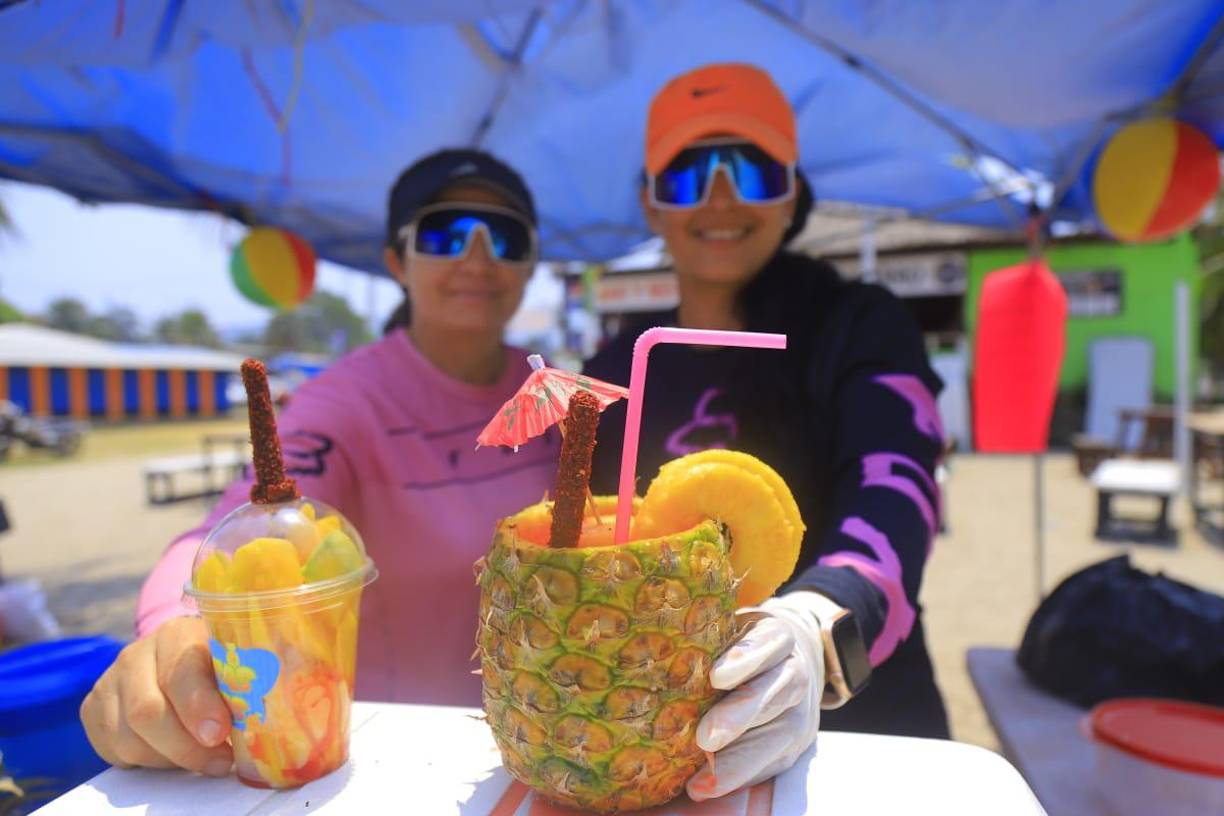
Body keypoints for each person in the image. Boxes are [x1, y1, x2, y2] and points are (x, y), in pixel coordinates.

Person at [80, 149, 559, 777]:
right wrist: (175, 632)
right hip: (399, 762)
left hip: (549, 744)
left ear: (530, 265)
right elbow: (241, 520)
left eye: (506, 237)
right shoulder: (345, 402)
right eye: (445, 234)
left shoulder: (554, 392)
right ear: (397, 262)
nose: (477, 258)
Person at [585, 63, 950, 800]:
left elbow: (899, 487)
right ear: (651, 205)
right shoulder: (615, 367)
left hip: (865, 737)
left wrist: (818, 624)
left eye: (751, 172)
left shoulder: (860, 325)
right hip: (664, 749)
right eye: (687, 177)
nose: (721, 199)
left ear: (790, 197)